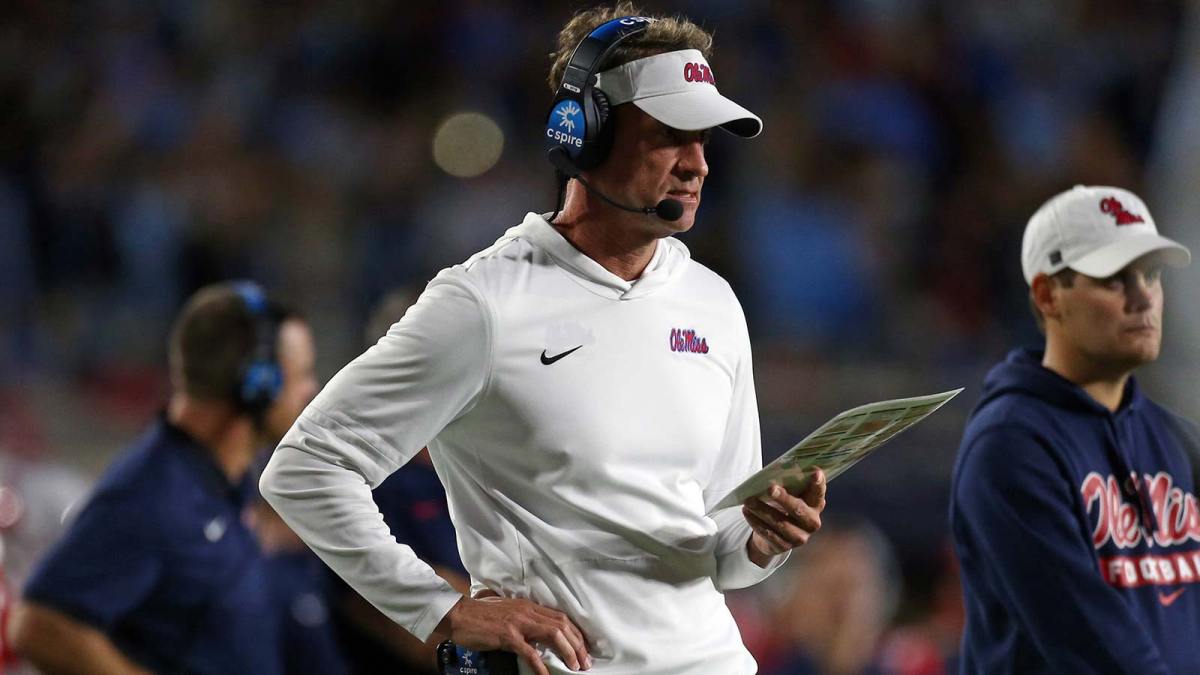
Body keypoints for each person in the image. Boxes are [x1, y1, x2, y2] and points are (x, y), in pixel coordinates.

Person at [259, 4, 827, 675]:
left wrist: (764, 538)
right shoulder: (485, 304)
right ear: (584, 134)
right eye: (670, 135)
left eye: (705, 141)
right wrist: (444, 609)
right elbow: (305, 467)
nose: (697, 165)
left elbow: (722, 554)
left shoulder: (714, 302)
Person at [949, 185, 1200, 673]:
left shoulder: (1180, 442)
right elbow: (1095, 650)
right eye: (1114, 279)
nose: (1142, 295)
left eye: (1151, 275)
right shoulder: (1008, 448)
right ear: (1048, 295)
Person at [10, 281, 319, 675]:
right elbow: (39, 625)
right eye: (302, 375)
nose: (312, 390)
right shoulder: (152, 495)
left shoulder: (217, 477)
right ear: (256, 386)